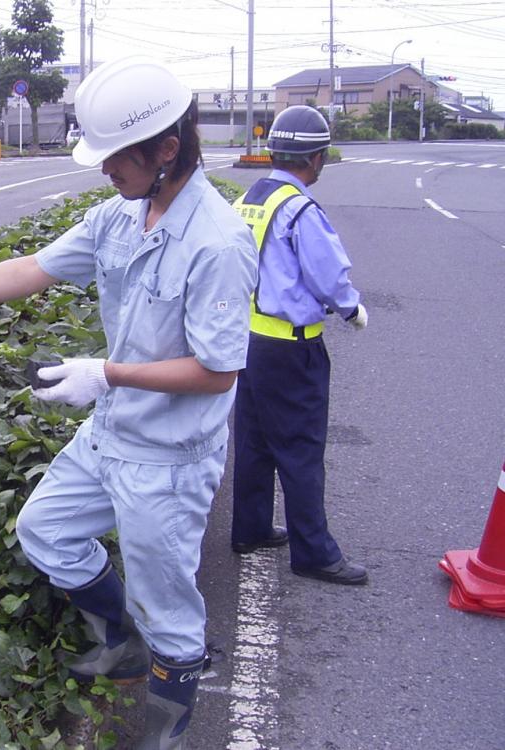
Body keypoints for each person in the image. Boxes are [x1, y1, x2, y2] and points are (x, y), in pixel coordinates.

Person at [0, 56, 257, 750]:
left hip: (168, 456)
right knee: (46, 529)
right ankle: (121, 645)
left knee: (170, 610)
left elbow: (217, 371)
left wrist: (107, 373)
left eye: (117, 158)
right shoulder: (120, 216)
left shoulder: (218, 242)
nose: (105, 171)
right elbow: (35, 268)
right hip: (111, 431)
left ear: (167, 150)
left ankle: (164, 733)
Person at [230, 104, 369, 585]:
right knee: (301, 448)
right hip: (291, 347)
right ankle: (314, 553)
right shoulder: (300, 207)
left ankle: (248, 529)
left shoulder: (250, 198)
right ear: (317, 158)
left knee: (253, 442)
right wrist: (352, 311)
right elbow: (329, 275)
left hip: (247, 340)